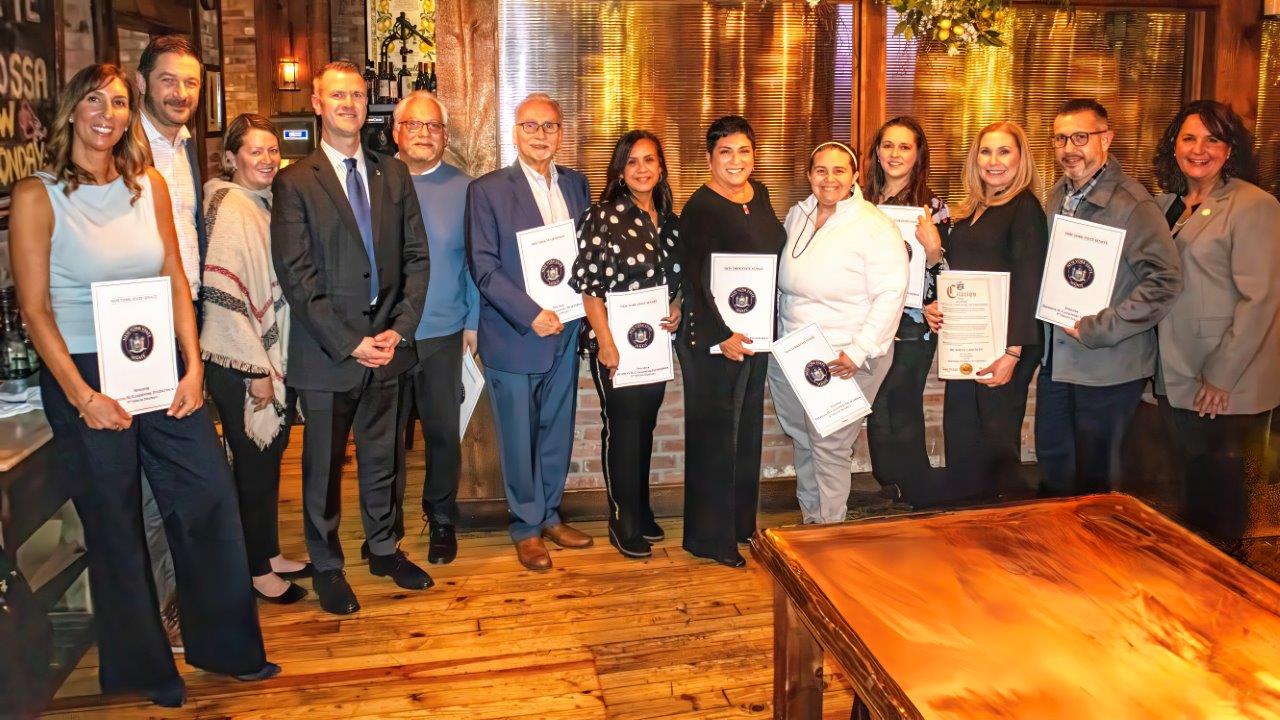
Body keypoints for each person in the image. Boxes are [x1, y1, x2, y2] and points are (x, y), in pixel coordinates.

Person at [8, 63, 278, 708]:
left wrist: (191, 367)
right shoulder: (37, 195)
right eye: (95, 101)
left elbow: (175, 281)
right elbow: (34, 309)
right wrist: (83, 397)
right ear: (72, 109)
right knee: (115, 521)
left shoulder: (147, 182)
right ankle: (140, 669)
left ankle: (226, 646)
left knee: (209, 497)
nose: (108, 113)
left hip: (157, 359)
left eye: (120, 102)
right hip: (84, 373)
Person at [271, 60, 432, 615]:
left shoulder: (394, 174)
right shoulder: (294, 182)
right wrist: (350, 342)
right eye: (336, 95)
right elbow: (298, 278)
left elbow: (417, 258)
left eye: (358, 95)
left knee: (383, 459)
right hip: (327, 354)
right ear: (317, 103)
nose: (348, 104)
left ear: (369, 105)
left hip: (388, 347)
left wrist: (397, 331)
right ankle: (328, 564)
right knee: (321, 468)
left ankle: (383, 547)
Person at [466, 92, 593, 571]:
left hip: (566, 331)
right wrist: (529, 312)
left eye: (549, 126)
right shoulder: (488, 190)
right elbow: (484, 267)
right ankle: (524, 527)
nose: (541, 135)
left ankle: (551, 515)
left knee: (556, 430)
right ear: (514, 132)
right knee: (518, 436)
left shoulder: (578, 186)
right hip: (515, 333)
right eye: (530, 126)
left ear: (561, 133)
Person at [1036, 98, 1182, 498]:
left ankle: (1102, 559)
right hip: (1058, 362)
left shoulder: (1132, 203)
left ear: (1107, 139)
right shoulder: (1056, 197)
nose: (1069, 148)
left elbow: (1165, 281)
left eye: (1081, 137)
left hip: (1107, 366)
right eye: (1060, 139)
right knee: (1055, 474)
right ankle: (1058, 557)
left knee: (1098, 488)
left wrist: (1101, 328)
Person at [1151, 99, 1280, 548]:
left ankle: (1230, 599)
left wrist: (1222, 377)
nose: (1199, 149)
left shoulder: (1253, 205)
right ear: (1174, 146)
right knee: (1191, 499)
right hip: (1176, 370)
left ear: (1231, 150)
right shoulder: (1166, 204)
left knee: (1222, 511)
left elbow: (1260, 298)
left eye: (1213, 139)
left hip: (1225, 380)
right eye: (1189, 138)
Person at [200, 113, 311, 603]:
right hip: (239, 359)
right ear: (231, 158)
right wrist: (256, 370)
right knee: (253, 465)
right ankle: (256, 571)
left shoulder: (262, 202)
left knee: (268, 462)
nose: (268, 159)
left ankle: (267, 552)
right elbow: (224, 296)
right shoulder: (231, 208)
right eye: (255, 151)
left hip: (263, 355)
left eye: (272, 151)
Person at [768, 141, 908, 524]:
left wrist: (857, 352)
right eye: (821, 171)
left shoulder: (874, 226)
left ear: (855, 176)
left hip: (845, 354)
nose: (829, 179)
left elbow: (890, 295)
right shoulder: (797, 215)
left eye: (839, 171)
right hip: (795, 350)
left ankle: (829, 532)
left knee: (829, 444)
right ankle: (812, 519)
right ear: (810, 175)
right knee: (802, 438)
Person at [920, 121, 1047, 504]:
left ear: (1021, 158)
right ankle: (966, 520)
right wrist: (935, 302)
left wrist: (1013, 353)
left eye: (1004, 151)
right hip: (969, 342)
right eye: (985, 152)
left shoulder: (1024, 208)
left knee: (994, 438)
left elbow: (1029, 283)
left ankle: (1000, 527)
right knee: (961, 431)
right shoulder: (974, 209)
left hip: (1006, 345)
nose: (993, 161)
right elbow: (959, 274)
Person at [678, 116, 786, 567]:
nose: (735, 160)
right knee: (715, 436)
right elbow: (693, 278)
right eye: (725, 152)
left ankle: (741, 526)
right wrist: (722, 336)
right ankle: (708, 537)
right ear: (710, 158)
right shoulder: (699, 207)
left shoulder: (758, 196)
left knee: (746, 435)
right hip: (714, 340)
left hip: (754, 334)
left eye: (744, 151)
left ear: (755, 155)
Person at [569, 130, 682, 558]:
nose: (641, 169)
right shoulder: (603, 217)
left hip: (654, 345)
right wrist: (606, 343)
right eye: (632, 162)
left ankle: (642, 507)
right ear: (620, 170)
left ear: (661, 168)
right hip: (615, 345)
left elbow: (676, 280)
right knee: (623, 429)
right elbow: (589, 288)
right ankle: (622, 519)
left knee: (646, 427)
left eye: (649, 160)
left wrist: (678, 307)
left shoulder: (670, 221)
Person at [135, 33, 207, 648]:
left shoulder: (183, 147)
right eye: (168, 80)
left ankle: (184, 595)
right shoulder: (126, 145)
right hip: (141, 324)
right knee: (153, 478)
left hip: (183, 316)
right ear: (144, 83)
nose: (180, 93)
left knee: (187, 474)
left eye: (189, 82)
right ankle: (163, 609)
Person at [389, 91, 477, 565]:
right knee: (388, 438)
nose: (424, 133)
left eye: (434, 126)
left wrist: (474, 322)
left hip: (444, 331)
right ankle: (387, 525)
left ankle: (441, 517)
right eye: (414, 124)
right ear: (395, 131)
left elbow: (475, 261)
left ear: (445, 136)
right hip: (389, 335)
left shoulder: (465, 189)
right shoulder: (377, 180)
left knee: (443, 432)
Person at [862, 117, 950, 506]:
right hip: (871, 322)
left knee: (903, 400)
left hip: (915, 324)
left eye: (904, 147)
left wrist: (934, 252)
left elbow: (948, 274)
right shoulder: (859, 203)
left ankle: (916, 485)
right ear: (877, 152)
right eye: (887, 146)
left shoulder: (934, 208)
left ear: (918, 155)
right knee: (875, 404)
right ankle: (890, 482)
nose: (894, 154)